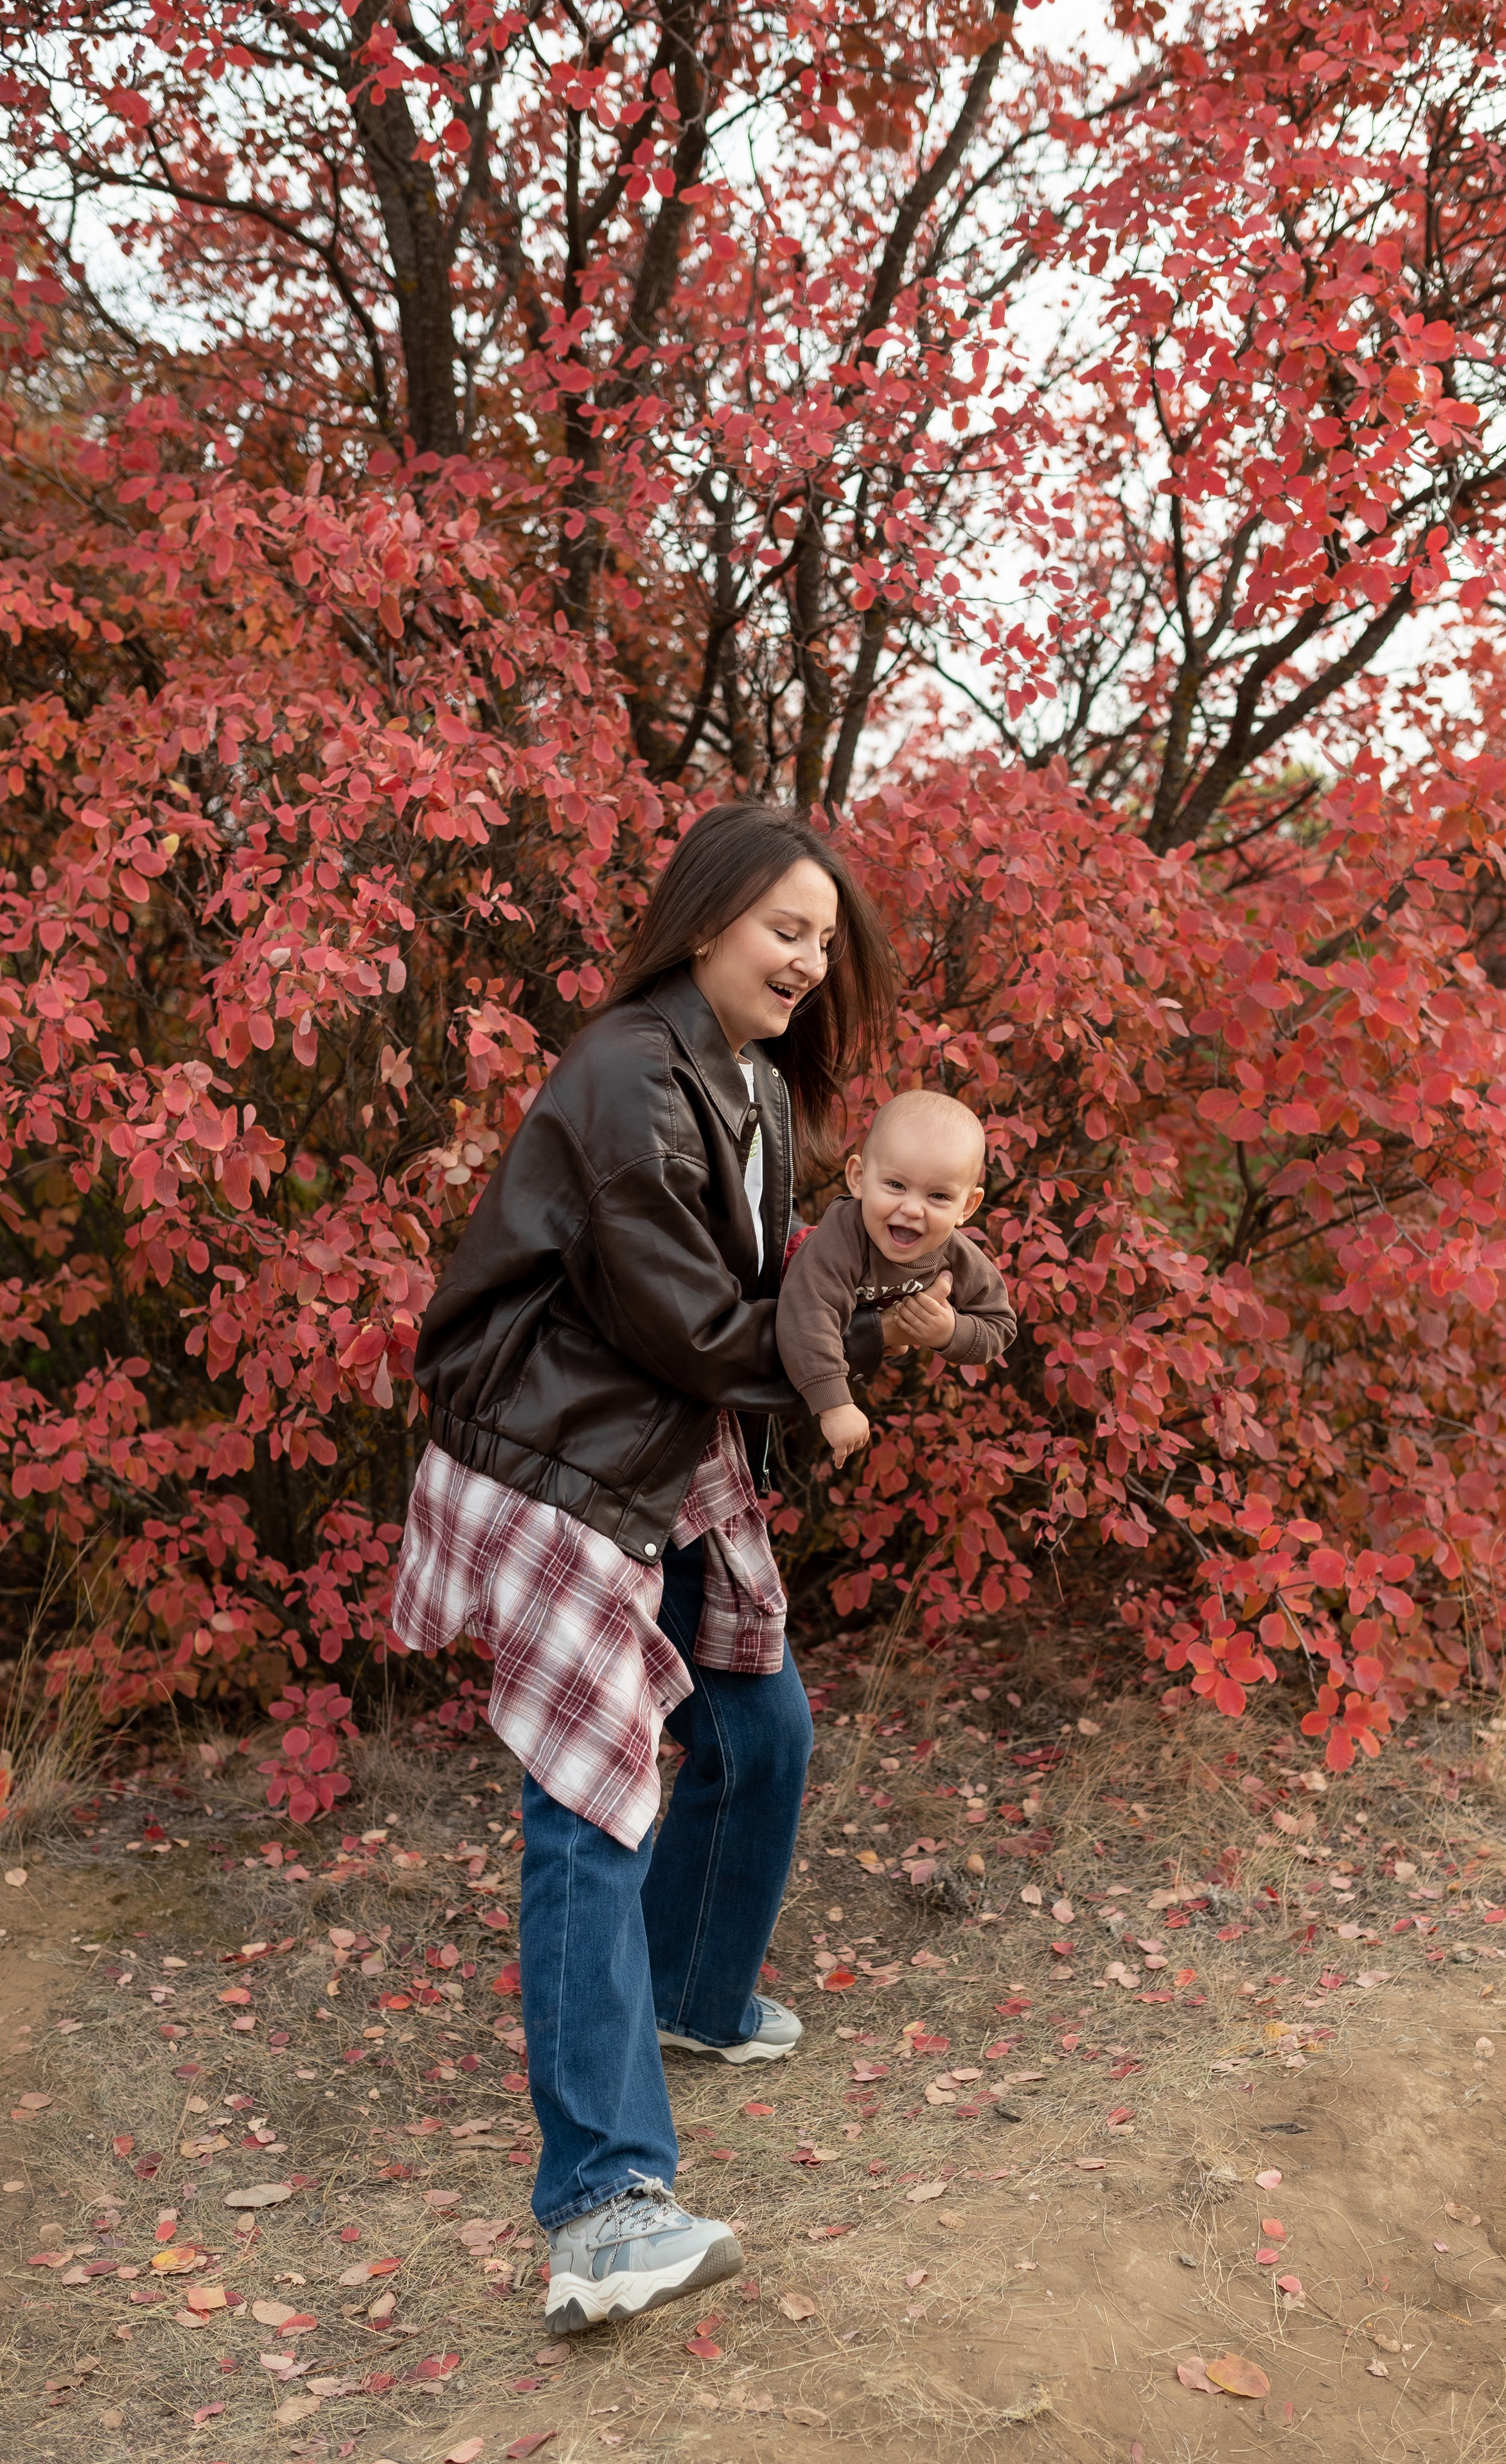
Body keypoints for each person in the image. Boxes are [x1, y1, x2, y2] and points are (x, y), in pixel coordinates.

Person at [392, 801, 900, 2337]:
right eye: (784, 929)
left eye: (822, 940)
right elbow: (688, 1322)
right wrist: (858, 1345)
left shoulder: (743, 1078)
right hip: (562, 1456)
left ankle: (689, 1991)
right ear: (703, 922)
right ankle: (602, 2208)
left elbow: (740, 1306)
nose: (808, 961)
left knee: (757, 1727)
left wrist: (881, 1295)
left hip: (658, 1446)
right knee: (587, 1805)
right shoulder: (628, 1070)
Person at [775, 1088, 1016, 1466]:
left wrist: (949, 1332)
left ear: (967, 1207)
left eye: (938, 1196)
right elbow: (807, 1318)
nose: (913, 1208)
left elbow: (1000, 1324)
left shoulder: (959, 1257)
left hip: (839, 1330)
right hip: (776, 1277)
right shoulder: (842, 1238)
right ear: (859, 1178)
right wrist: (834, 1405)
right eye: (896, 1185)